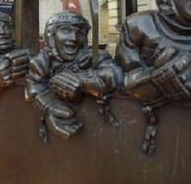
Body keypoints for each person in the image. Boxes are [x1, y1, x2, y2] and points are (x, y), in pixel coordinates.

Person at [26, 11, 123, 141]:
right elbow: (34, 85)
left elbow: (114, 75)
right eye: (66, 30)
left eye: (80, 32)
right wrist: (50, 106)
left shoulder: (94, 57)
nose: (74, 37)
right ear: (51, 36)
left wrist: (83, 81)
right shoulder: (42, 62)